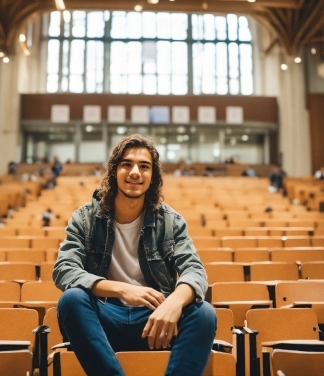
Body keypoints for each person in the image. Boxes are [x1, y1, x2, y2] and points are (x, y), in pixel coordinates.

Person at [53, 134, 216, 376]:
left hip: (155, 321)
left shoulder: (170, 221)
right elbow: (64, 268)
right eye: (127, 164)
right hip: (104, 318)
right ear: (114, 171)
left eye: (144, 166)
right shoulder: (85, 218)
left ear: (153, 177)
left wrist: (174, 301)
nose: (135, 172)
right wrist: (121, 289)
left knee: (203, 313)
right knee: (71, 299)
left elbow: (194, 270)